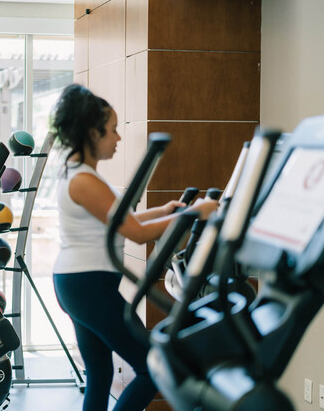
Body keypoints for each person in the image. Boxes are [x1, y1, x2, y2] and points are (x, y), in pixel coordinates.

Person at [51, 84, 218, 411]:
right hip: (88, 284)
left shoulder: (77, 172)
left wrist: (167, 210)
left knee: (99, 373)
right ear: (91, 133)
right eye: (112, 131)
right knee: (151, 367)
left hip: (77, 282)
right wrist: (195, 213)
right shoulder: (84, 179)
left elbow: (117, 220)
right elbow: (135, 234)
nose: (118, 138)